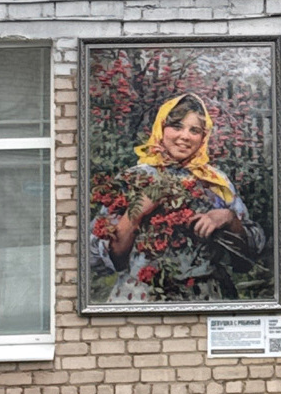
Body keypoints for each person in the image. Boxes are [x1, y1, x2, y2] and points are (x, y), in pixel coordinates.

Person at [90, 92, 265, 302]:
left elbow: (246, 259)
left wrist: (228, 218)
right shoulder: (134, 179)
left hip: (205, 295)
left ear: (204, 137)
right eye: (176, 126)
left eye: (195, 130)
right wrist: (136, 213)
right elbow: (102, 258)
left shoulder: (216, 182)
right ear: (161, 128)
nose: (185, 136)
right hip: (142, 294)